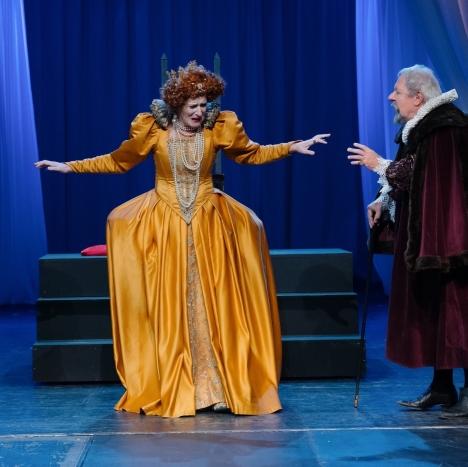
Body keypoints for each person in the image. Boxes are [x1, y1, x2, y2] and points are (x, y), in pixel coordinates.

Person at [36, 61, 330, 417]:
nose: (199, 112)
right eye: (193, 106)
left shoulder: (219, 128)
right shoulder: (153, 130)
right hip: (166, 223)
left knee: (213, 302)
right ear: (177, 105)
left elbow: (251, 152)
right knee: (172, 303)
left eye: (204, 105)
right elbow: (119, 161)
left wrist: (290, 147)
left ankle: (218, 387)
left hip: (208, 222)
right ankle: (179, 383)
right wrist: (71, 166)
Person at [347, 65, 468, 418]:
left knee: (464, 309)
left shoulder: (445, 128)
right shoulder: (425, 128)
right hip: (444, 236)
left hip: (464, 239)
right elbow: (420, 176)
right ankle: (442, 387)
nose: (391, 97)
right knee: (439, 307)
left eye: (397, 91)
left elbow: (426, 174)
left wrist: (379, 164)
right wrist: (384, 201)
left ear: (418, 97)